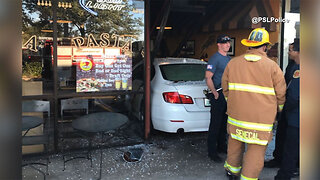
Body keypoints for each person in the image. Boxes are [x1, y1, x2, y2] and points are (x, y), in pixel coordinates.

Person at [221, 28, 286, 180]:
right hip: (261, 120)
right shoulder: (273, 67)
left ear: (249, 45)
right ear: (265, 46)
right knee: (255, 150)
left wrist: (233, 103)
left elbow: (225, 88)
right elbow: (281, 94)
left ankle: (232, 171)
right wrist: (279, 111)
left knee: (235, 145)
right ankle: (248, 177)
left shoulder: (233, 63)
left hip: (236, 116)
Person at [265, 43, 297, 168]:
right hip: (287, 105)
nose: (288, 52)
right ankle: (278, 158)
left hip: (294, 108)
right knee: (282, 133)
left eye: (291, 50)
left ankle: (293, 166)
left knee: (293, 139)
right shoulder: (291, 65)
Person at [275, 38, 300, 180]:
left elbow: (294, 97)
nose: (289, 53)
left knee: (291, 150)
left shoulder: (300, 70)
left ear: (298, 51)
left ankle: (283, 176)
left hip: (297, 118)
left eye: (291, 50)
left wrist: (283, 109)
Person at [205, 34, 231, 162]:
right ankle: (212, 152)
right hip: (218, 93)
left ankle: (222, 147)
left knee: (223, 123)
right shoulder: (215, 59)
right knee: (215, 124)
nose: (227, 44)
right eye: (224, 43)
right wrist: (214, 92)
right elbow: (208, 77)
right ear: (219, 45)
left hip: (227, 94)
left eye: (228, 42)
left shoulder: (229, 59)